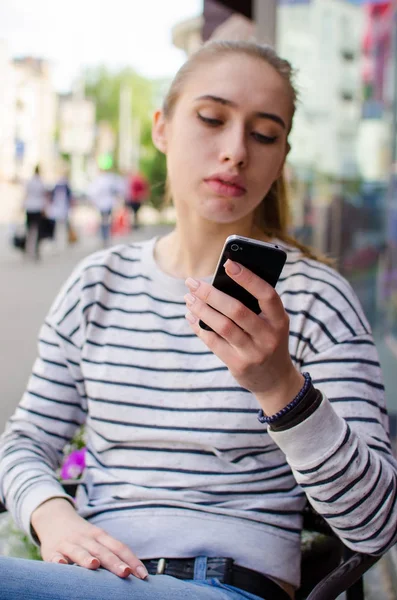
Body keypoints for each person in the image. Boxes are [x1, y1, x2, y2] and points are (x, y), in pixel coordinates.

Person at [0, 41, 396, 600]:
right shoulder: (98, 283)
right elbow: (24, 442)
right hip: (84, 578)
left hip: (224, 583)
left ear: (283, 155)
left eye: (264, 134)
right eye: (212, 119)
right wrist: (51, 516)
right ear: (161, 127)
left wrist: (280, 386)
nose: (235, 151)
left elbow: (375, 525)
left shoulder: (315, 299)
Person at [88, 168, 120, 246]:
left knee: (104, 221)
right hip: (106, 204)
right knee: (106, 220)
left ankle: (105, 236)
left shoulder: (100, 180)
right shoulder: (109, 179)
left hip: (103, 204)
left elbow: (93, 192)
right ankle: (105, 236)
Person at [23, 165, 47, 260]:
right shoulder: (40, 182)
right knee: (38, 230)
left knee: (29, 230)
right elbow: (43, 196)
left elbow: (26, 194)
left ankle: (27, 249)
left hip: (29, 207)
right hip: (38, 207)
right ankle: (36, 250)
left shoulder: (30, 181)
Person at [47, 170, 74, 248]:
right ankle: (59, 241)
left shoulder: (62, 186)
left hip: (62, 208)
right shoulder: (60, 186)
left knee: (63, 225)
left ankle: (63, 241)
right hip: (59, 208)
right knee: (59, 226)